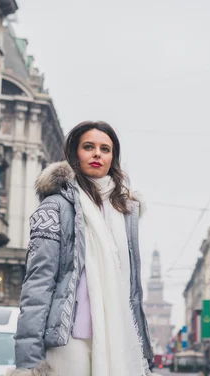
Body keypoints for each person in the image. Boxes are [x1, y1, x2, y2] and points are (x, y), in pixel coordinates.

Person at [9, 121, 153, 376]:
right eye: (89, 147)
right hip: (69, 341)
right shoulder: (55, 207)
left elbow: (131, 288)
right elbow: (38, 284)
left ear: (113, 158)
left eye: (105, 149)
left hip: (117, 339)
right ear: (75, 153)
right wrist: (29, 362)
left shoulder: (125, 213)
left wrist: (142, 346)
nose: (97, 153)